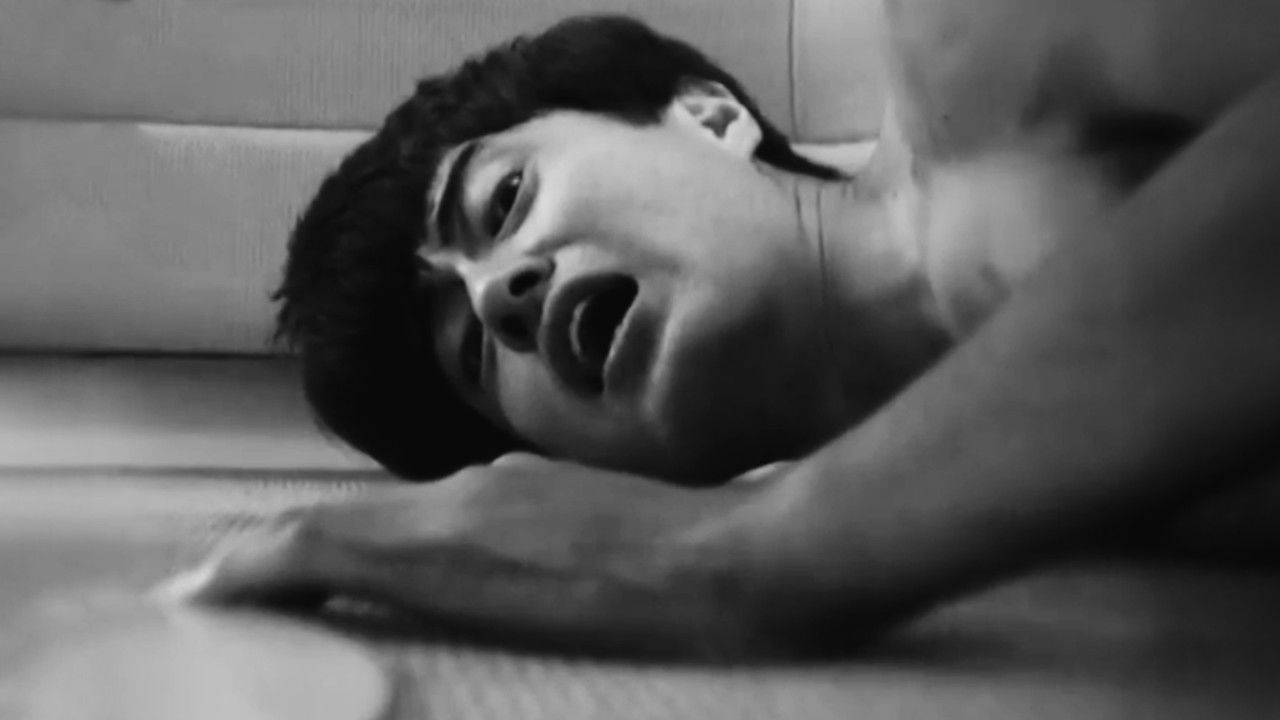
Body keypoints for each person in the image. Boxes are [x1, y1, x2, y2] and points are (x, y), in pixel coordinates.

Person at [176, 6, 1280, 658]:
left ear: (706, 116)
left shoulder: (985, 44)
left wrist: (751, 557)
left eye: (504, 201)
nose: (502, 295)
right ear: (569, 476)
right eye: (476, 355)